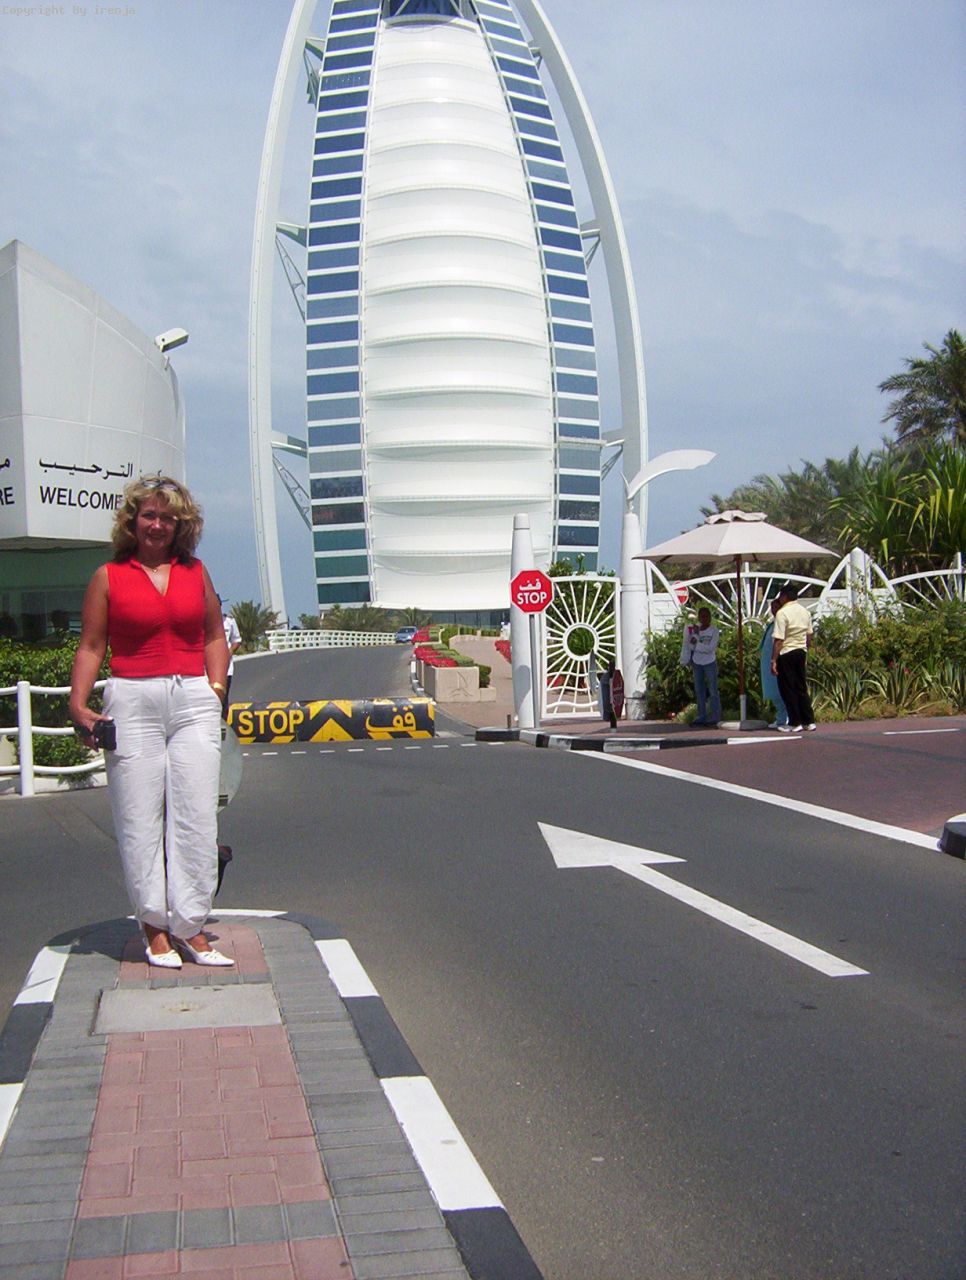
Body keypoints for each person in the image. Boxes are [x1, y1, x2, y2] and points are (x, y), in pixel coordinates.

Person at [69, 475, 233, 968]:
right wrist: (78, 705)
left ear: (181, 525)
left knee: (197, 816)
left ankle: (191, 924)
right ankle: (155, 927)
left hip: (192, 700)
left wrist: (215, 689)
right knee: (139, 818)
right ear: (132, 521)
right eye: (149, 515)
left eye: (168, 518)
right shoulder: (108, 576)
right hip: (133, 700)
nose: (157, 525)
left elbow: (214, 636)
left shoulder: (195, 572)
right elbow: (91, 645)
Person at [770, 585, 816, 732]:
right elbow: (809, 634)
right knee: (801, 687)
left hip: (786, 652)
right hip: (801, 651)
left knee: (788, 688)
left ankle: (794, 722)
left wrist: (773, 660)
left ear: (785, 596)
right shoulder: (805, 611)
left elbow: (779, 640)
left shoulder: (782, 613)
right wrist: (805, 647)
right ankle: (809, 721)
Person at [680, 607, 721, 725]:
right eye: (702, 616)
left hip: (710, 662)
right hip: (697, 663)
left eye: (706, 616)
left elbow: (711, 648)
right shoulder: (695, 629)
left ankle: (715, 716)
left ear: (710, 617)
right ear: (699, 617)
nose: (704, 619)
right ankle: (701, 716)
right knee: (699, 690)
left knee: (713, 690)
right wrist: (696, 640)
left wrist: (697, 645)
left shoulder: (714, 630)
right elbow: (690, 645)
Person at [759, 599, 789, 729]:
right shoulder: (772, 624)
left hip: (777, 661)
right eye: (772, 607)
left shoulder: (782, 623)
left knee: (780, 691)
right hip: (768, 662)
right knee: (773, 691)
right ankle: (781, 717)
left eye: (776, 607)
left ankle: (785, 717)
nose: (774, 610)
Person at [220, 597, 242, 710]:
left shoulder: (229, 622)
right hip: (206, 668)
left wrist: (230, 652)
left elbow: (236, 640)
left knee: (223, 697)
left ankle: (224, 718)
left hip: (226, 667)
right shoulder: (203, 621)